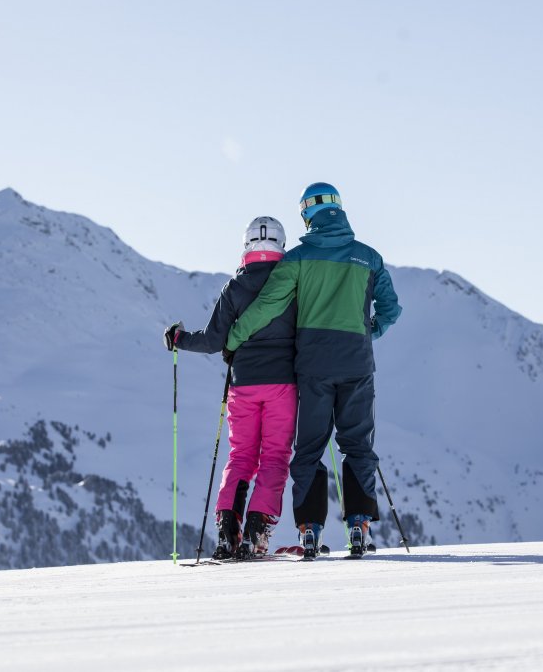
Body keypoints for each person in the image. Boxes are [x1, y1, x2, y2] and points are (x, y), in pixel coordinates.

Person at [224, 182, 401, 558]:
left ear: (307, 214)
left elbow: (268, 305)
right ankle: (358, 524)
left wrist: (234, 338)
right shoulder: (369, 258)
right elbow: (391, 309)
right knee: (357, 446)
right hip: (356, 363)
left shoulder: (297, 259)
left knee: (309, 449)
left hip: (313, 368)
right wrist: (372, 330)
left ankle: (309, 529)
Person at [163, 216, 297, 559]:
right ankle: (258, 527)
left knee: (241, 456)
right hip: (283, 383)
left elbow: (212, 341)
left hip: (243, 385)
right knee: (275, 456)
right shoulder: (293, 283)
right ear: (281, 245)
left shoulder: (234, 287)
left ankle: (228, 527)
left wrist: (178, 338)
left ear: (246, 245)